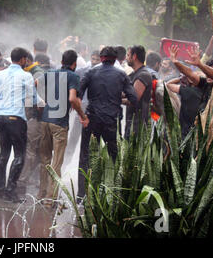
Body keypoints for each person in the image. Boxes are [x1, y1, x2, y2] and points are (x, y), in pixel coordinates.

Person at [77, 46, 137, 201]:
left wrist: (82, 116)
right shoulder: (122, 75)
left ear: (101, 57)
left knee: (86, 156)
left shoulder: (90, 72)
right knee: (113, 157)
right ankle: (112, 193)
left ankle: (81, 195)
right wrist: (118, 98)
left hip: (92, 119)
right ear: (115, 59)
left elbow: (78, 94)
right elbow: (134, 98)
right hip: (111, 121)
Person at [0, 47, 44, 203]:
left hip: (0, 118)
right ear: (22, 60)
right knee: (20, 155)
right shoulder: (26, 76)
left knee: (4, 153)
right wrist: (42, 104)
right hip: (16, 119)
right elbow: (33, 99)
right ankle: (10, 191)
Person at [39, 50, 88, 207]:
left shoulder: (50, 73)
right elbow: (72, 98)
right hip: (59, 123)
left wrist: (44, 102)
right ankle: (50, 199)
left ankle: (41, 194)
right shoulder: (73, 76)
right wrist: (82, 115)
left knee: (45, 159)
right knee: (57, 162)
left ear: (61, 60)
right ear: (74, 64)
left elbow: (36, 84)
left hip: (45, 120)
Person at [17, 52, 46, 193]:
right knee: (36, 151)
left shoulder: (37, 73)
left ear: (26, 60)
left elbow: (36, 98)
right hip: (37, 118)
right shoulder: (33, 72)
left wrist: (31, 115)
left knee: (31, 150)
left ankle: (22, 180)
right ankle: (28, 179)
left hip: (36, 118)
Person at [124, 45, 153, 140]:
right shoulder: (134, 74)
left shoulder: (143, 75)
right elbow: (126, 93)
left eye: (128, 55)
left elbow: (133, 99)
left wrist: (114, 98)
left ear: (134, 56)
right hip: (131, 123)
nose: (126, 58)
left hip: (137, 126)